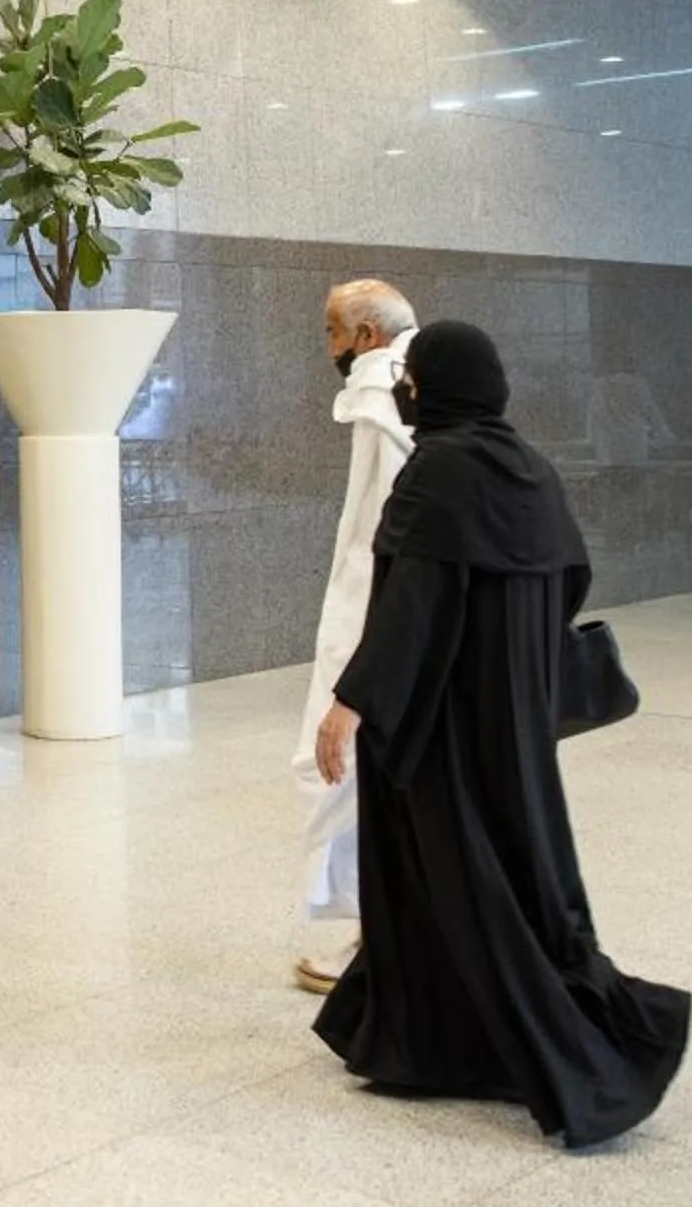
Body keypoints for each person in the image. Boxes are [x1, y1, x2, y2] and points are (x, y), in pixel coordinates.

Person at [312, 321, 689, 1149]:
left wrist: (351, 703)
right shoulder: (531, 469)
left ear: (438, 386)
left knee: (457, 877)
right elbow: (569, 579)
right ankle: (442, 1039)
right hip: (515, 726)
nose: (406, 393)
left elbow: (413, 606)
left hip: (443, 729)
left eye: (413, 380)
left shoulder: (436, 473)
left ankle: (531, 1049)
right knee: (515, 872)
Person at [293, 278, 417, 996]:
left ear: (367, 336)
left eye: (332, 332)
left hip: (381, 626)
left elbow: (383, 535)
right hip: (409, 626)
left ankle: (379, 943)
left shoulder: (378, 391)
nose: (330, 347)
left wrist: (361, 670)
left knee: (353, 779)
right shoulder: (417, 384)